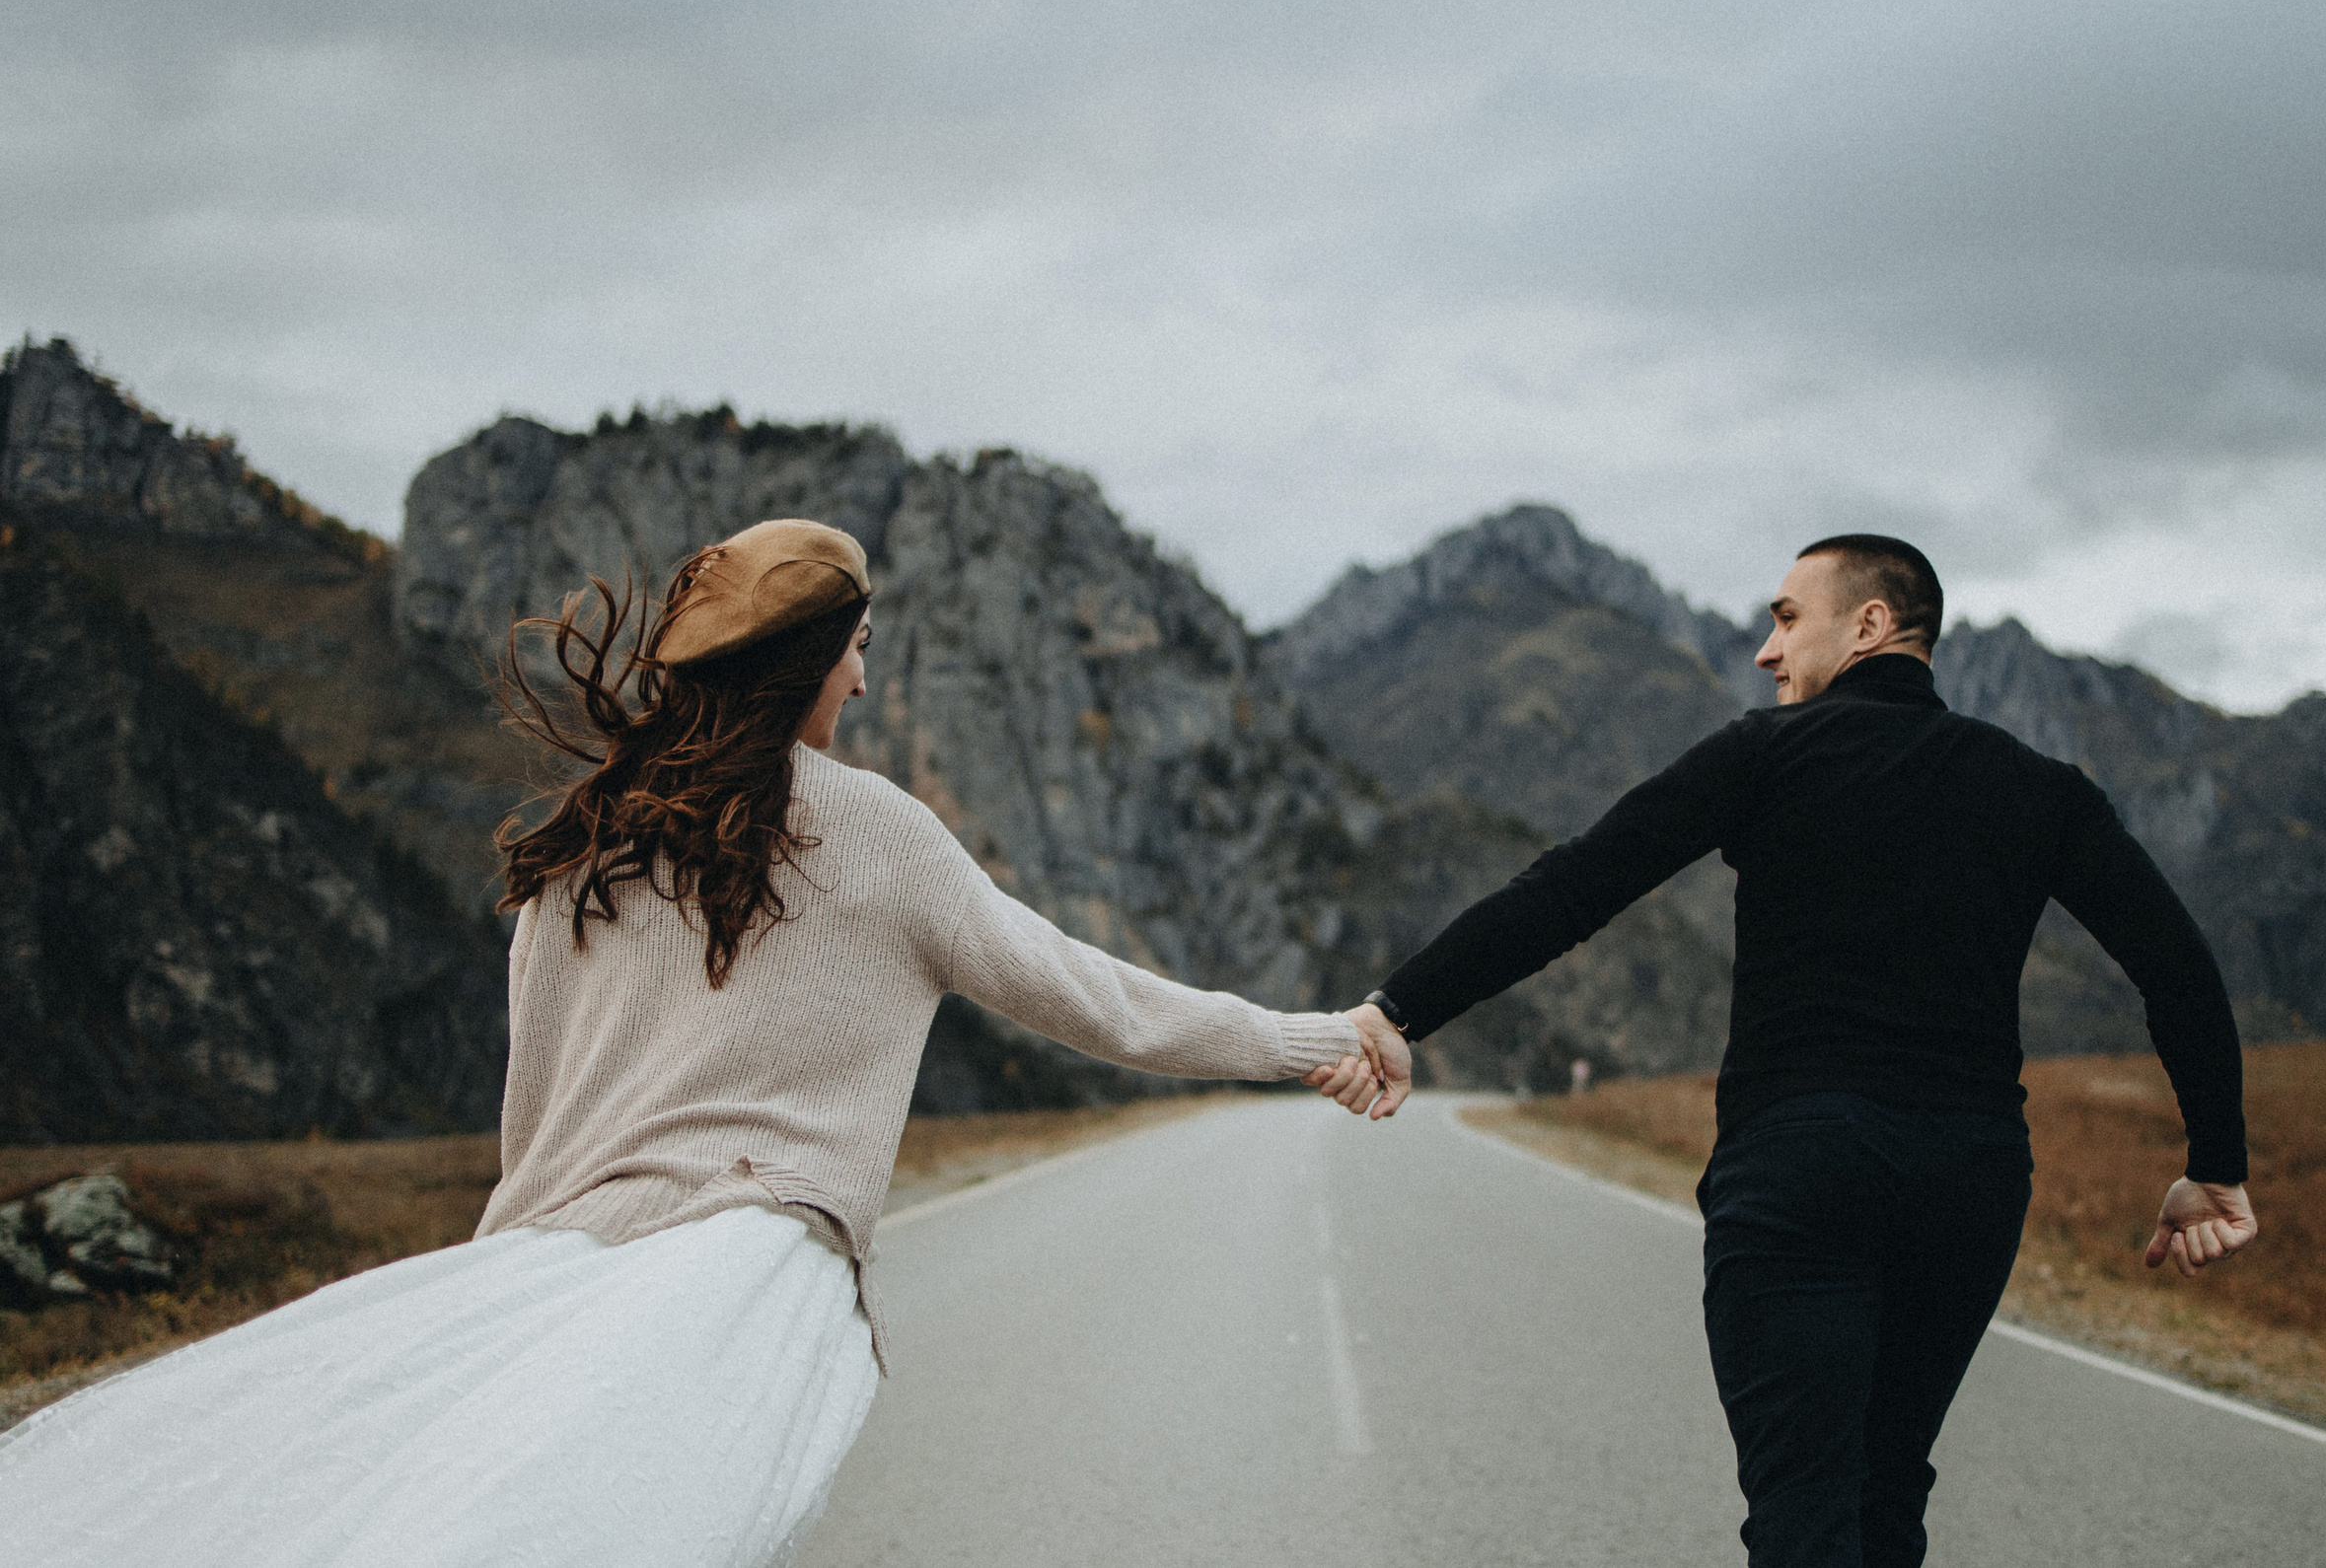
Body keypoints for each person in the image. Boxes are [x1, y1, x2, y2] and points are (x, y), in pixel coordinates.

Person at [0, 517, 1392, 1568]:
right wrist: (1313, 1037)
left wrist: (500, 1300)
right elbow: (1100, 998)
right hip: (740, 1271)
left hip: (555, 1261)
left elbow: (531, 1118)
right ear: (806, 659)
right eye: (855, 642)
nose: (865, 669)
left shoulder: (574, 850)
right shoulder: (879, 832)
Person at [1323, 535, 2259, 1568]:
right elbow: (2177, 969)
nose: (1766, 652)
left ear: (1869, 624)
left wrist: (1399, 1009)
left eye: (1784, 618)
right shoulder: (2040, 789)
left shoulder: (1761, 757)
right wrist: (2215, 1167)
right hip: (1970, 1179)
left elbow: (1570, 889)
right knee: (1885, 1487)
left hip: (1799, 1166)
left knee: (1803, 1506)